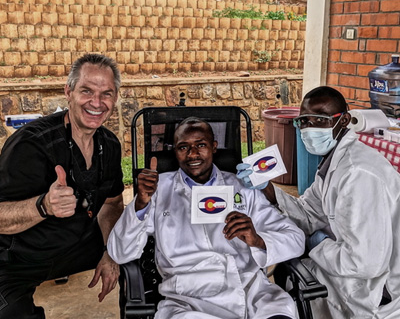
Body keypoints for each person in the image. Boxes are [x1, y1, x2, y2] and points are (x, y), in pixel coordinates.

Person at [108, 117, 305, 319]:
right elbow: (120, 253)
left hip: (251, 292)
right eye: (183, 147)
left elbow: (296, 239)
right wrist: (140, 204)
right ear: (175, 152)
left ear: (214, 147)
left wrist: (258, 240)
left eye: (201, 145)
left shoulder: (242, 188)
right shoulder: (158, 190)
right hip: (188, 299)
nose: (192, 154)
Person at [241, 86, 400, 318]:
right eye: (304, 121)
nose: (309, 128)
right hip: (355, 267)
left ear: (344, 120)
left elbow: (365, 263)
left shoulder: (359, 174)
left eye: (320, 120)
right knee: (293, 274)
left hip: (380, 289)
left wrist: (317, 246)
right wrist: (268, 189)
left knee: (297, 279)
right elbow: (308, 213)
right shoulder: (333, 163)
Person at [0, 54, 125, 318]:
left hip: (76, 246)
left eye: (106, 93)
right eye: (87, 91)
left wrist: (110, 252)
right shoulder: (31, 145)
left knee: (141, 249)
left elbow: (112, 204)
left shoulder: (110, 145)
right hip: (17, 259)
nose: (97, 102)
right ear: (68, 91)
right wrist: (43, 206)